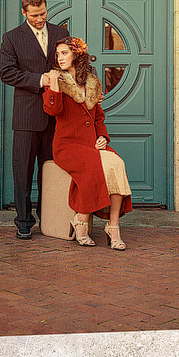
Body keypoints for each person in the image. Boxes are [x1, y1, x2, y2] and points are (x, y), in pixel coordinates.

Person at [43, 36, 132, 250]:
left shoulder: (92, 83)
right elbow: (53, 111)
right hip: (67, 146)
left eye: (64, 53)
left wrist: (102, 136)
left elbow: (98, 117)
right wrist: (54, 84)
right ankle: (81, 221)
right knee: (93, 166)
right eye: (58, 54)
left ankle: (113, 226)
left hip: (91, 143)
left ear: (77, 54)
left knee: (117, 164)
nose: (60, 58)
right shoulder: (57, 81)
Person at [0, 0, 70, 239]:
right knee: (23, 171)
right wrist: (40, 79)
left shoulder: (61, 34)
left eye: (43, 14)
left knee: (52, 172)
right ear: (24, 13)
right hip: (26, 117)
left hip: (57, 116)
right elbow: (7, 73)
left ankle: (50, 218)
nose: (40, 19)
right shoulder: (11, 38)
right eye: (34, 15)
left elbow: (72, 63)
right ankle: (23, 221)